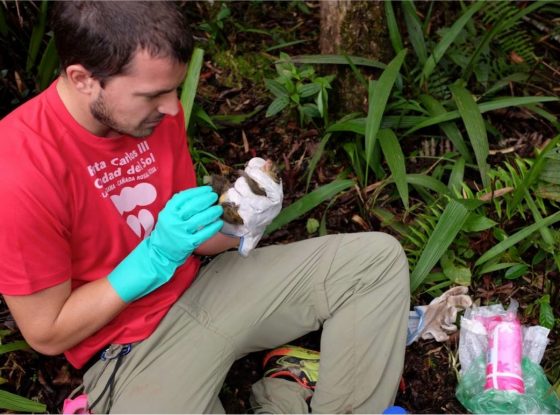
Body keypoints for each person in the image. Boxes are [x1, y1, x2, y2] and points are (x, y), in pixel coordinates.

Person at [0, 2, 410, 413]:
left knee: (374, 263)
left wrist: (239, 219)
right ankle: (286, 394)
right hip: (129, 347)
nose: (173, 108)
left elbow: (193, 241)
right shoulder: (19, 170)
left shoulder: (153, 116)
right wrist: (153, 258)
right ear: (83, 79)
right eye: (154, 94)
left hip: (206, 289)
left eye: (174, 88)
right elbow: (47, 333)